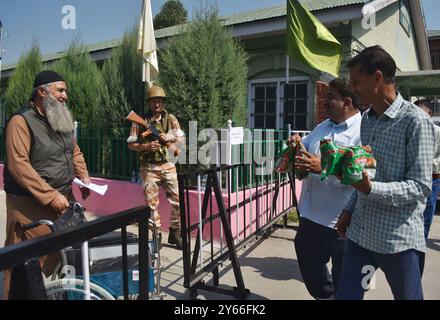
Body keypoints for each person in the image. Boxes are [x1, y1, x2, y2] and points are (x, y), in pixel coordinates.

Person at [335, 46, 434, 300]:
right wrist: (348, 209)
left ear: (377, 78)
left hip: (396, 239)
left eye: (357, 82)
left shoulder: (415, 121)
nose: (353, 88)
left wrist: (371, 188)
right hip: (361, 233)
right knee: (346, 296)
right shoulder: (367, 119)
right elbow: (364, 173)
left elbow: (421, 186)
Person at [2, 70, 91, 299]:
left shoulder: (61, 117)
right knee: (21, 263)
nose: (65, 96)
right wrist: (51, 196)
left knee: (62, 258)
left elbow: (74, 151)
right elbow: (18, 165)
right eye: (60, 90)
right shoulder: (20, 121)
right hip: (28, 205)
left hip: (62, 201)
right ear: (42, 92)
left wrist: (84, 178)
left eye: (65, 91)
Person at [292, 79, 362, 300]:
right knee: (308, 261)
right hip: (311, 214)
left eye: (330, 97)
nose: (324, 101)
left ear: (346, 102)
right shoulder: (323, 126)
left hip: (341, 220)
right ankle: (325, 296)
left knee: (346, 276)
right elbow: (307, 149)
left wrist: (322, 167)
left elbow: (360, 175)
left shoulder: (363, 131)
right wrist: (297, 145)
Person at [127, 85, 184, 250]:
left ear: (163, 103)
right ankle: (156, 235)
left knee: (178, 201)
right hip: (149, 167)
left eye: (159, 101)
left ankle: (175, 232)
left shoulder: (171, 118)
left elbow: (181, 139)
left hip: (168, 165)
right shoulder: (140, 120)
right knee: (151, 205)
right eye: (153, 101)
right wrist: (146, 146)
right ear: (149, 103)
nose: (156, 104)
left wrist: (170, 136)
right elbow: (131, 144)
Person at [414, 99, 440, 239]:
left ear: (429, 114)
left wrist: (426, 163)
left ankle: (421, 244)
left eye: (419, 112)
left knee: (426, 215)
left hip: (432, 179)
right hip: (412, 178)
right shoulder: (412, 129)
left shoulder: (437, 131)